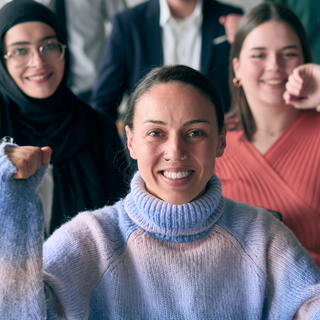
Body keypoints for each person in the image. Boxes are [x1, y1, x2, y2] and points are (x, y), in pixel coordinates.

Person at [1, 64, 320, 319]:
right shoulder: (93, 239)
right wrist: (11, 199)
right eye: (156, 132)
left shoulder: (263, 236)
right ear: (131, 141)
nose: (175, 151)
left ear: (222, 139)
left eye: (195, 132)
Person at [0, 0, 128, 236]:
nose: (38, 62)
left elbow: (120, 220)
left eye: (48, 46)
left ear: (63, 48)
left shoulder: (99, 127)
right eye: (20, 50)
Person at [214, 3, 320, 267]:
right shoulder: (209, 139)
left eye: (288, 54)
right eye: (259, 55)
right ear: (237, 67)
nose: (274, 66)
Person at [90, 0, 244, 120]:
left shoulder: (233, 17)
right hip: (146, 152)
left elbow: (248, 89)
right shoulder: (128, 24)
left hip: (221, 150)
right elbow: (103, 103)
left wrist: (249, 38)